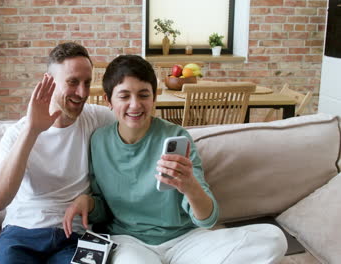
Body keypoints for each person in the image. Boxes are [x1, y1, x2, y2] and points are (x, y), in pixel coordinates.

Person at [63, 55, 287, 264]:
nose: (135, 105)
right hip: (130, 241)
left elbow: (207, 219)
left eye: (143, 94)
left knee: (273, 238)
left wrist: (190, 185)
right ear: (108, 100)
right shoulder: (99, 142)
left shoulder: (177, 137)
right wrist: (89, 203)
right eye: (124, 96)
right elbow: (102, 210)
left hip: (186, 239)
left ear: (154, 97)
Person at [0, 42, 115, 264]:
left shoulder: (97, 119)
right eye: (73, 82)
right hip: (21, 234)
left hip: (76, 236)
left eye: (87, 83)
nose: (82, 93)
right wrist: (33, 130)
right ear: (49, 81)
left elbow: (135, 121)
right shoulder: (18, 133)